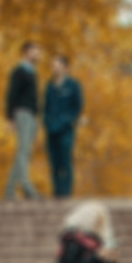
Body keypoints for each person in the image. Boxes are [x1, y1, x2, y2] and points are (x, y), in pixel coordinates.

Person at [4, 41, 42, 199]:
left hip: (32, 115)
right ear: (27, 52)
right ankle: (26, 184)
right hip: (22, 112)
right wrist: (10, 117)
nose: (38, 55)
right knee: (23, 151)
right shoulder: (19, 71)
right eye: (35, 51)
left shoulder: (34, 72)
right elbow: (11, 94)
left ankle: (10, 189)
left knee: (24, 152)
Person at [44, 53, 84, 197]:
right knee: (54, 162)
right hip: (51, 130)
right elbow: (46, 107)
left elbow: (77, 107)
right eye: (53, 65)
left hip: (66, 130)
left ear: (65, 67)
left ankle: (66, 193)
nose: (54, 68)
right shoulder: (49, 85)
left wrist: (67, 121)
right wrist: (47, 122)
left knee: (65, 162)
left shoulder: (73, 85)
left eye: (57, 65)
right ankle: (57, 192)